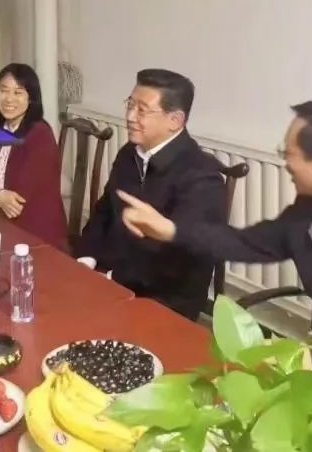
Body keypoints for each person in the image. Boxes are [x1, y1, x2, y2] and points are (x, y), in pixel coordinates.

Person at [117, 99, 312, 399]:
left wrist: (311, 359)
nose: (285, 162)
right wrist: (170, 229)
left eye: (289, 154)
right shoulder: (310, 210)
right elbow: (246, 243)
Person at [75, 69, 227, 320]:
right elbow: (104, 211)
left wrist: (112, 278)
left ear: (174, 120)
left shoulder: (202, 178)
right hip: (112, 280)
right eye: (130, 105)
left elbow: (178, 262)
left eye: (142, 110)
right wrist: (86, 259)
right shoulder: (129, 154)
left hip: (163, 302)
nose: (130, 116)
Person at [0, 63, 67, 250]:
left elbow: (18, 200)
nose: (9, 98)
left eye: (18, 92)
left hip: (36, 235)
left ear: (31, 98)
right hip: (4, 223)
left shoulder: (40, 134)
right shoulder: (0, 130)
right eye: (3, 91)